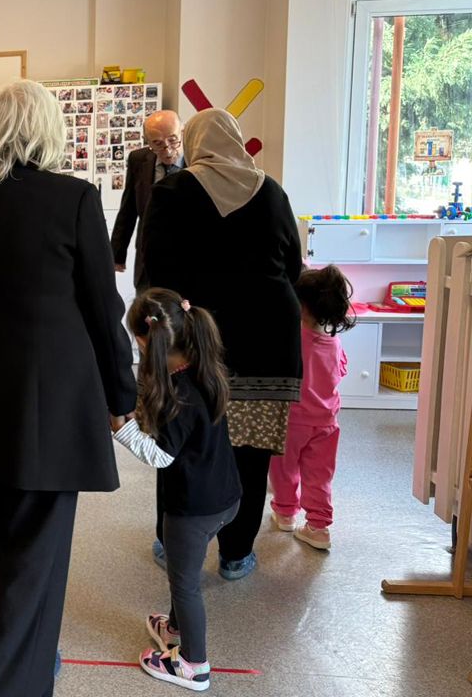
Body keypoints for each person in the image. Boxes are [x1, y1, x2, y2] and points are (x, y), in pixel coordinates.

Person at [0, 79, 136, 696]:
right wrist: (122, 395)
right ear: (50, 131)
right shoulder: (73, 198)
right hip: (52, 405)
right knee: (35, 557)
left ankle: (31, 664)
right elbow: (102, 307)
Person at [142, 107, 303, 581]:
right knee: (250, 454)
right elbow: (292, 266)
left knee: (181, 443)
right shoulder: (271, 190)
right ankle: (236, 554)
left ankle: (172, 543)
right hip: (269, 344)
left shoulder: (172, 191)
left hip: (197, 345)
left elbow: (155, 275)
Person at [112, 290, 240, 693]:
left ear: (153, 345)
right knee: (184, 573)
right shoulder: (202, 372)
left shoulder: (180, 397)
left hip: (193, 509)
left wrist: (122, 430)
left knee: (184, 583)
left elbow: (161, 456)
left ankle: (193, 665)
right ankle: (173, 631)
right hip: (226, 497)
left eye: (140, 345)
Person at [269, 265, 355, 551]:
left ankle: (285, 512)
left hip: (290, 421)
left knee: (283, 468)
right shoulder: (334, 343)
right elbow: (341, 371)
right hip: (327, 423)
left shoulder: (289, 341)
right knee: (319, 475)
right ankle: (318, 527)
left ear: (299, 305)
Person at [110, 110, 185, 291]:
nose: (167, 150)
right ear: (147, 141)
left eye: (173, 140)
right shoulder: (138, 159)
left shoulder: (198, 158)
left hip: (185, 257)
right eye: (157, 144)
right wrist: (117, 254)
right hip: (148, 256)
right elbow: (128, 207)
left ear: (183, 132)